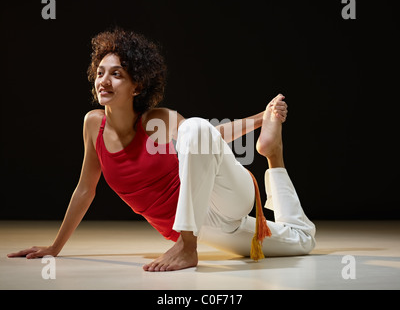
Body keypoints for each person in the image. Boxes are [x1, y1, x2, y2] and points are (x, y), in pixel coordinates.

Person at [7, 28, 316, 272]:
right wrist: (55, 247)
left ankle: (187, 246)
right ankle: (274, 156)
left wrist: (262, 118)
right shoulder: (93, 125)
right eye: (101, 72)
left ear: (137, 86)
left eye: (116, 74)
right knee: (303, 241)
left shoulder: (156, 120)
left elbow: (210, 135)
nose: (104, 81)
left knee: (195, 128)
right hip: (205, 225)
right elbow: (85, 190)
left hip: (224, 196)